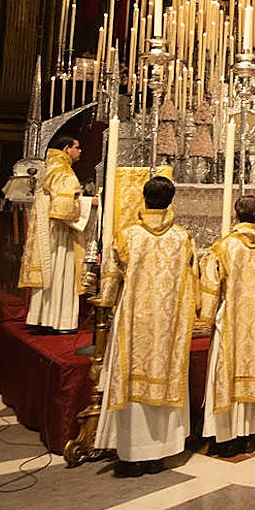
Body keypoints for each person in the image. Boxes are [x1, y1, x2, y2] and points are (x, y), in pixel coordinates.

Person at [93, 176, 197, 477]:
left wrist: (108, 303)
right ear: (171, 199)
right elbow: (193, 278)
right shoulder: (183, 238)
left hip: (135, 318)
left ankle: (132, 453)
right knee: (165, 376)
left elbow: (111, 281)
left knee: (132, 379)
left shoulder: (128, 236)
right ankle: (160, 452)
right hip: (169, 322)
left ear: (144, 198)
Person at [199, 195, 255, 455]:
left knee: (226, 371)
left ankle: (227, 436)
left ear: (236, 214)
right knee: (253, 368)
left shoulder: (224, 247)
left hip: (230, 321)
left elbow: (211, 285)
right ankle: (249, 432)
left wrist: (205, 316)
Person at [20, 136, 96, 333]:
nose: (80, 151)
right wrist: (90, 203)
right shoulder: (62, 170)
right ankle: (59, 321)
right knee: (60, 273)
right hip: (59, 233)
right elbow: (64, 207)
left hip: (50, 230)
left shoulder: (52, 166)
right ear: (66, 148)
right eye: (77, 147)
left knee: (50, 273)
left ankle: (41, 318)